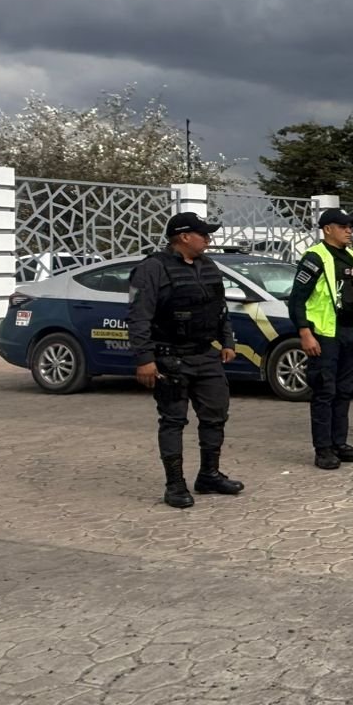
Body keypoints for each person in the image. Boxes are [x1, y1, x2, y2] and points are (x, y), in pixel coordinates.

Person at [127, 212, 244, 508]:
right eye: (203, 234)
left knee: (216, 414)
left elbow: (220, 308)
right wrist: (144, 358)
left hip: (206, 354)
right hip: (171, 357)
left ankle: (209, 475)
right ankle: (175, 485)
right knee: (173, 420)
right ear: (183, 236)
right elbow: (139, 316)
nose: (208, 239)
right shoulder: (152, 268)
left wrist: (227, 340)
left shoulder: (208, 265)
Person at [289, 208, 353, 470]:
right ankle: (323, 450)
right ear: (327, 229)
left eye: (351, 226)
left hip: (351, 332)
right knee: (325, 392)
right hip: (326, 335)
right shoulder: (315, 258)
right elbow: (297, 299)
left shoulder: (352, 257)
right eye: (343, 226)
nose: (349, 230)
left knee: (344, 391)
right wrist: (305, 332)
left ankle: (340, 444)